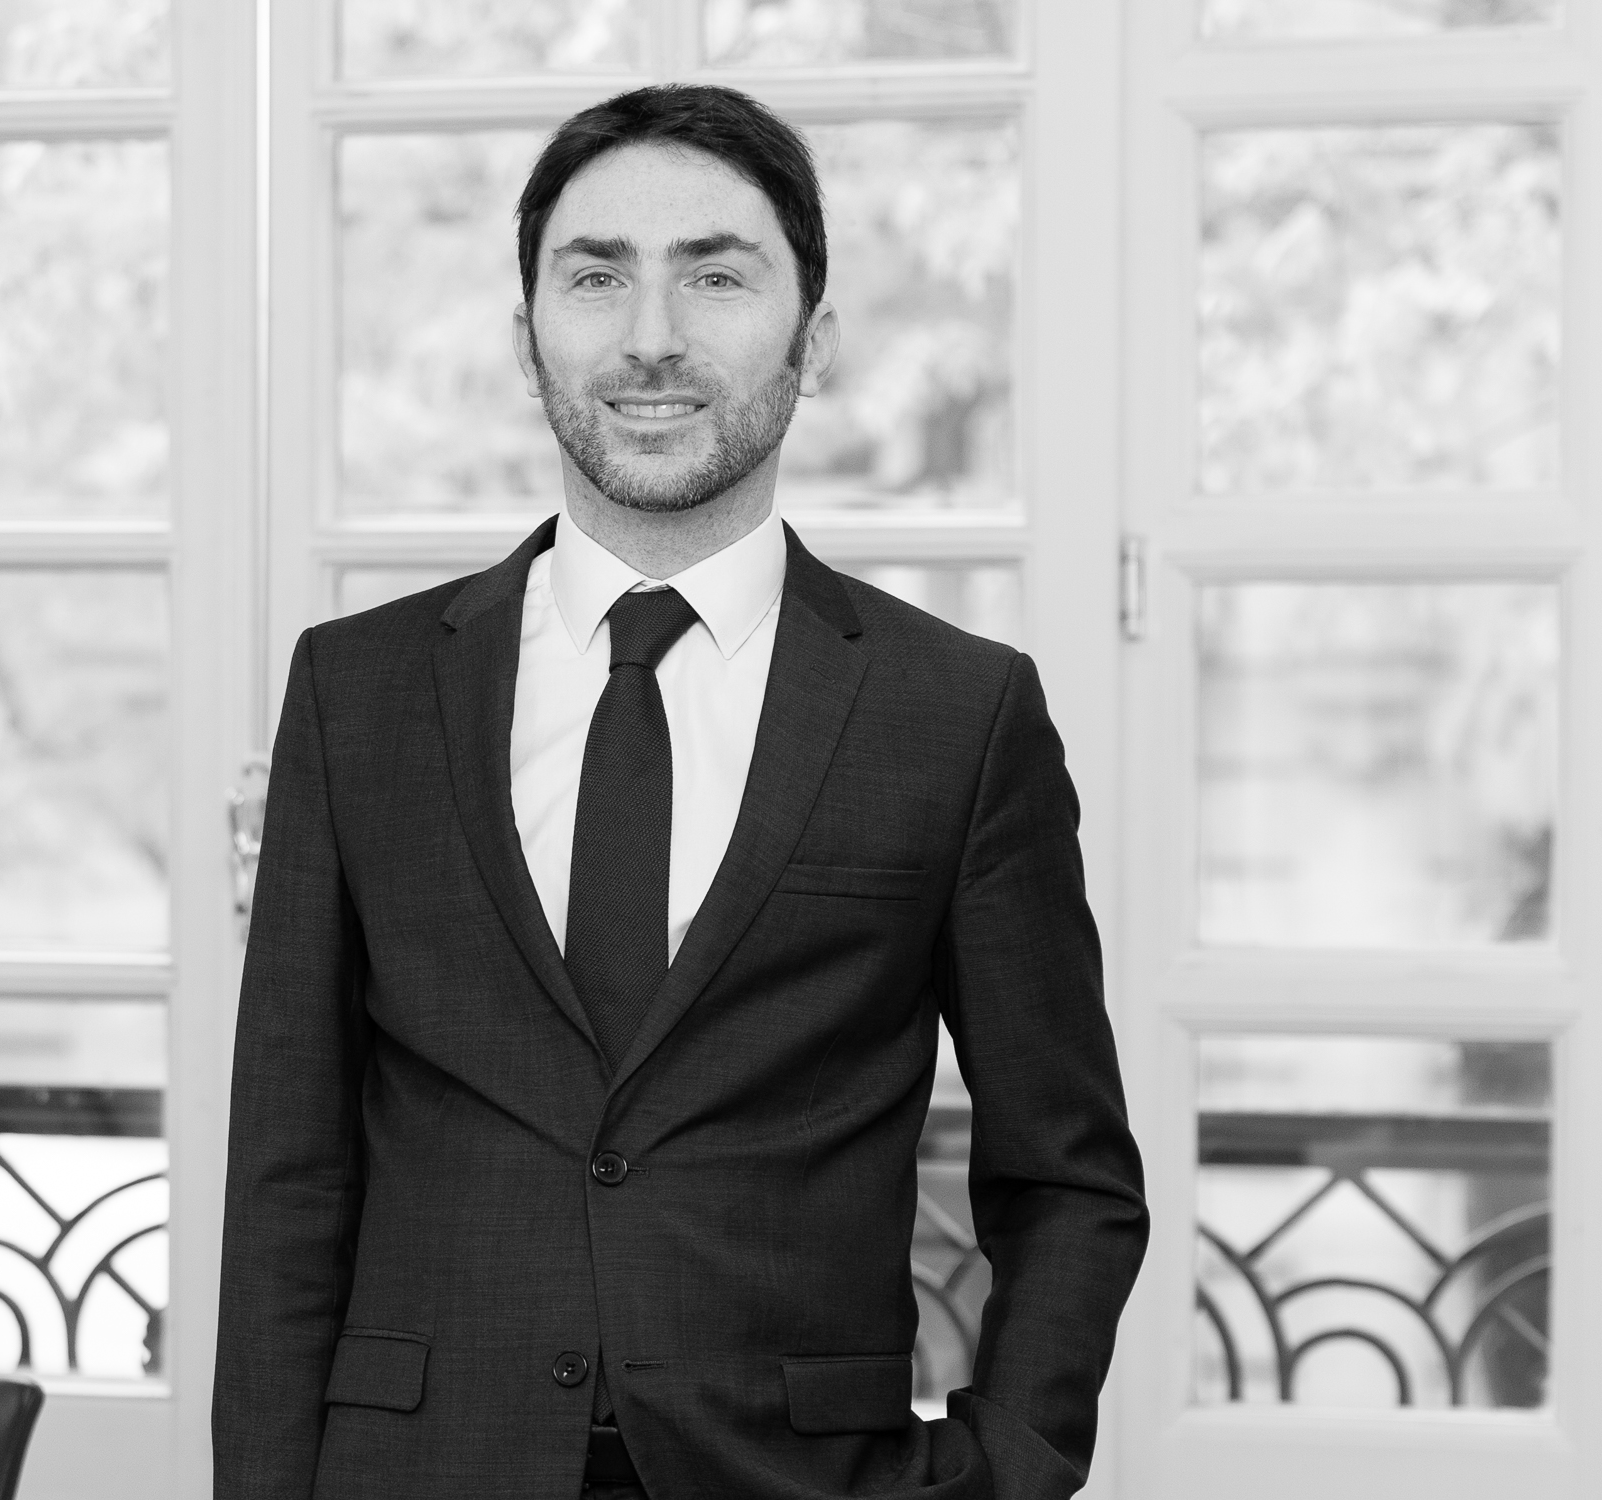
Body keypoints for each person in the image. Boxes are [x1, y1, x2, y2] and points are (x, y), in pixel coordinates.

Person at [213, 84, 1146, 1500]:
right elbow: (288, 1172)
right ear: (526, 336)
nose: (650, 336)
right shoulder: (359, 692)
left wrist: (999, 1473)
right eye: (597, 277)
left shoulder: (956, 715)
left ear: (814, 339)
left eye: (715, 275)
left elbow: (1068, 1177)